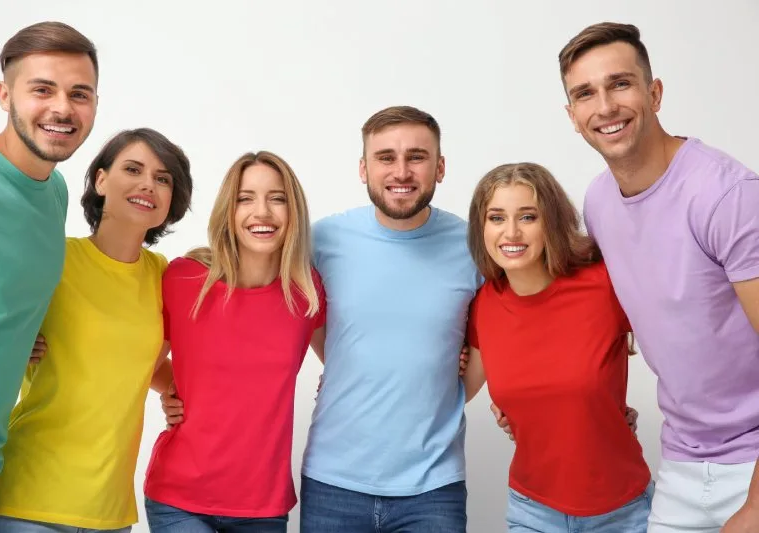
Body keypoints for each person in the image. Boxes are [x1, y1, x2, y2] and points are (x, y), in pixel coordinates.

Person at [560, 22, 759, 533]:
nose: (605, 106)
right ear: (572, 116)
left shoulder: (727, 195)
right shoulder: (599, 201)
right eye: (586, 93)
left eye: (620, 84)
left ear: (654, 93)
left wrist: (757, 505)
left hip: (753, 462)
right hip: (681, 463)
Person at [0, 128, 193, 532]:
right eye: (133, 169)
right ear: (100, 180)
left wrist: (176, 390)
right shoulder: (52, 258)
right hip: (27, 499)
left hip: (110, 511)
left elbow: (139, 361)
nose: (148, 184)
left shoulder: (165, 278)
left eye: (163, 178)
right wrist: (12, 346)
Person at [298, 106, 481, 533]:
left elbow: (509, 325)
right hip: (332, 481)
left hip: (434, 486)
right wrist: (345, 362)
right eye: (385, 157)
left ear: (440, 167)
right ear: (363, 168)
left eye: (417, 157)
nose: (401, 171)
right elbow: (297, 315)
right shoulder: (321, 240)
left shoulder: (474, 245)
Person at [0, 21, 98, 533]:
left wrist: (19, 335)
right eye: (42, 89)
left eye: (79, 94)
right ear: (4, 95)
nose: (62, 108)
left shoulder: (54, 191)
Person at [461, 162, 653, 532]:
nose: (511, 232)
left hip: (621, 511)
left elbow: (681, 347)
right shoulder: (483, 306)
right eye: (496, 218)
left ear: (551, 221)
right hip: (533, 511)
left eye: (528, 217)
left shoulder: (603, 285)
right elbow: (458, 392)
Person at [144, 151, 325, 533]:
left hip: (263, 506)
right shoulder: (184, 279)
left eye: (277, 198)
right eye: (246, 198)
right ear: (229, 209)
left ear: (293, 211)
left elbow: (345, 364)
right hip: (179, 498)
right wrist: (172, 389)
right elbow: (137, 362)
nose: (262, 212)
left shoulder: (306, 292)